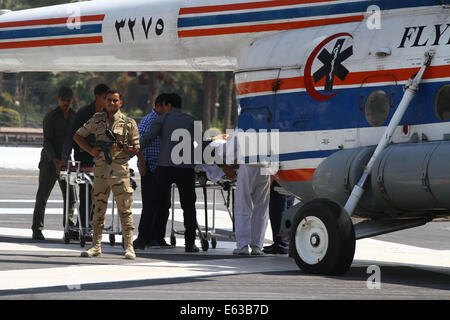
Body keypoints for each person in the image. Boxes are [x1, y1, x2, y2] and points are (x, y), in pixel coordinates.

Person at [74, 89, 142, 260]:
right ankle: (95, 246)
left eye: (115, 100)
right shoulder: (97, 120)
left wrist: (123, 147)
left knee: (125, 210)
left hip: (120, 171)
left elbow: (137, 148)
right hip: (101, 171)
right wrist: (91, 150)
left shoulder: (128, 123)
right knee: (98, 209)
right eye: (109, 100)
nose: (111, 103)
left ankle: (129, 247)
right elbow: (78, 135)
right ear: (105, 102)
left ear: (121, 103)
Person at [139, 93, 200, 253]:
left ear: (168, 105)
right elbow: (200, 147)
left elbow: (148, 138)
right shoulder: (192, 120)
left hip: (164, 167)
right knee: (188, 207)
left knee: (151, 202)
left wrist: (131, 150)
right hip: (186, 168)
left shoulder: (163, 119)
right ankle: (190, 243)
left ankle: (142, 239)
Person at [62, 84, 110, 231]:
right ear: (97, 97)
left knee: (100, 195)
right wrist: (65, 156)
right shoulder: (83, 113)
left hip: (103, 160)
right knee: (85, 195)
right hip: (85, 159)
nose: (108, 101)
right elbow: (73, 136)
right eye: (105, 98)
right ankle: (82, 226)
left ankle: (93, 225)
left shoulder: (110, 114)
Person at [31, 86, 77, 241]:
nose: (66, 102)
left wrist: (65, 160)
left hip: (66, 161)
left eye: (68, 100)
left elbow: (72, 139)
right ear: (59, 99)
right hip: (49, 161)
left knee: (70, 196)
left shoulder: (73, 117)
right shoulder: (51, 117)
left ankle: (69, 226)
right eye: (63, 100)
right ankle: (37, 228)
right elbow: (47, 142)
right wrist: (56, 161)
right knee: (43, 195)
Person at [133, 93, 171, 250]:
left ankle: (159, 237)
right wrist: (142, 164)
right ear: (159, 106)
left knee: (164, 205)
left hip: (163, 169)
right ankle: (145, 238)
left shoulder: (165, 121)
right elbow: (139, 144)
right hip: (150, 168)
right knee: (150, 205)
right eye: (168, 107)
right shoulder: (148, 121)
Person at [233, 164, 271, 255]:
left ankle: (243, 245)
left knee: (243, 204)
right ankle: (257, 245)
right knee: (261, 208)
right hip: (265, 167)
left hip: (247, 164)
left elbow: (230, 152)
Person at [263, 180, 295, 254]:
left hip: (280, 179)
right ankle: (283, 243)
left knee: (277, 213)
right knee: (287, 211)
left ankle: (280, 244)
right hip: (291, 181)